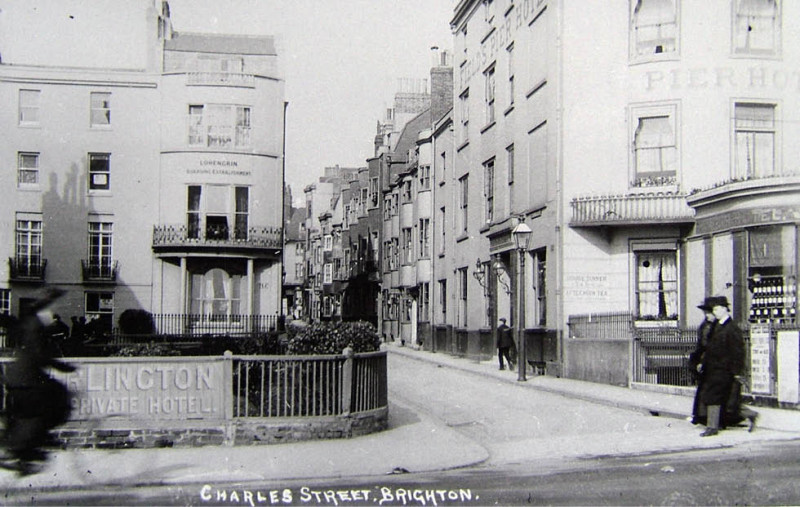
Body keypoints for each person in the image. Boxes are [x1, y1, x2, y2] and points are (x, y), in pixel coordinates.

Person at [1, 288, 76, 475]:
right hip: (28, 380)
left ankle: (25, 452)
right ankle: (29, 449)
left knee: (28, 416)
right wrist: (62, 367)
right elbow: (39, 355)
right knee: (58, 400)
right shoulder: (36, 325)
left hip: (17, 378)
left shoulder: (29, 321)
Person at [697, 296, 756, 437]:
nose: (714, 312)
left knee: (714, 396)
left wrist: (736, 371)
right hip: (714, 368)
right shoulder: (717, 326)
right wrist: (703, 363)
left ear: (724, 309)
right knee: (725, 398)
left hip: (724, 369)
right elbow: (710, 348)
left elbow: (738, 351)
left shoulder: (732, 328)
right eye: (714, 309)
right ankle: (750, 414)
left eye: (717, 309)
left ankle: (712, 427)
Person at [688, 297, 716, 425]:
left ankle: (704, 416)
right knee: (705, 389)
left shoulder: (713, 326)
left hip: (709, 360)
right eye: (706, 313)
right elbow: (702, 344)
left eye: (709, 312)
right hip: (704, 358)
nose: (707, 315)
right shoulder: (705, 325)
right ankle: (702, 415)